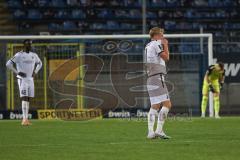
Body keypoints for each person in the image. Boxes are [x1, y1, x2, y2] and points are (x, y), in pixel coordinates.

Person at [6, 39, 42, 125]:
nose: (30, 46)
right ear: (24, 45)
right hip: (22, 80)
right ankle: (24, 119)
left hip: (30, 79)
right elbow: (8, 64)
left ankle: (26, 119)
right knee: (24, 97)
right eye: (28, 44)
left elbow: (40, 63)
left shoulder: (34, 55)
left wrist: (35, 72)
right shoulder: (19, 55)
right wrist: (17, 72)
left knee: (28, 99)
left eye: (31, 44)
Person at [145, 27, 171, 139]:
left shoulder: (148, 45)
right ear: (155, 36)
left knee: (155, 106)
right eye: (161, 35)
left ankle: (151, 132)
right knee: (167, 104)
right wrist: (166, 45)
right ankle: (159, 130)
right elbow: (166, 57)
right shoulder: (156, 44)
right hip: (157, 77)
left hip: (150, 78)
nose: (163, 37)